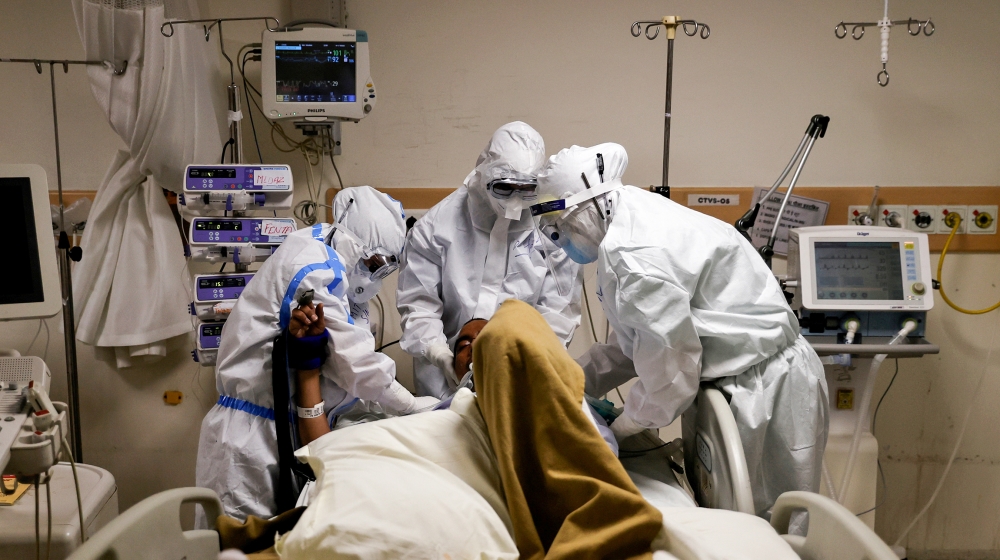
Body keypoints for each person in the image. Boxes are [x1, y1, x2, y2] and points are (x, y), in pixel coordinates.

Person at [533, 143, 829, 520]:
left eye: (560, 225)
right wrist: (571, 382)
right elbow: (635, 343)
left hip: (767, 385)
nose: (558, 237)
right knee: (731, 514)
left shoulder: (636, 257)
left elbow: (670, 381)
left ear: (591, 206)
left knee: (774, 522)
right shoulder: (627, 219)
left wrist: (616, 431)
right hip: (730, 381)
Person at [196, 186, 438, 522]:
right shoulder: (312, 266)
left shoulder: (333, 267)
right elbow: (354, 363)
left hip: (291, 431)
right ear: (355, 243)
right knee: (240, 538)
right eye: (374, 262)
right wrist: (409, 405)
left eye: (386, 268)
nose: (375, 275)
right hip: (252, 436)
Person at [397, 121, 582, 398]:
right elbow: (419, 306)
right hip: (442, 384)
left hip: (520, 377)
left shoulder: (550, 229)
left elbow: (558, 311)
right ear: (484, 172)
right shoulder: (435, 228)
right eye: (504, 188)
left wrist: (535, 361)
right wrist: (439, 354)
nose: (515, 202)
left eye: (526, 189)